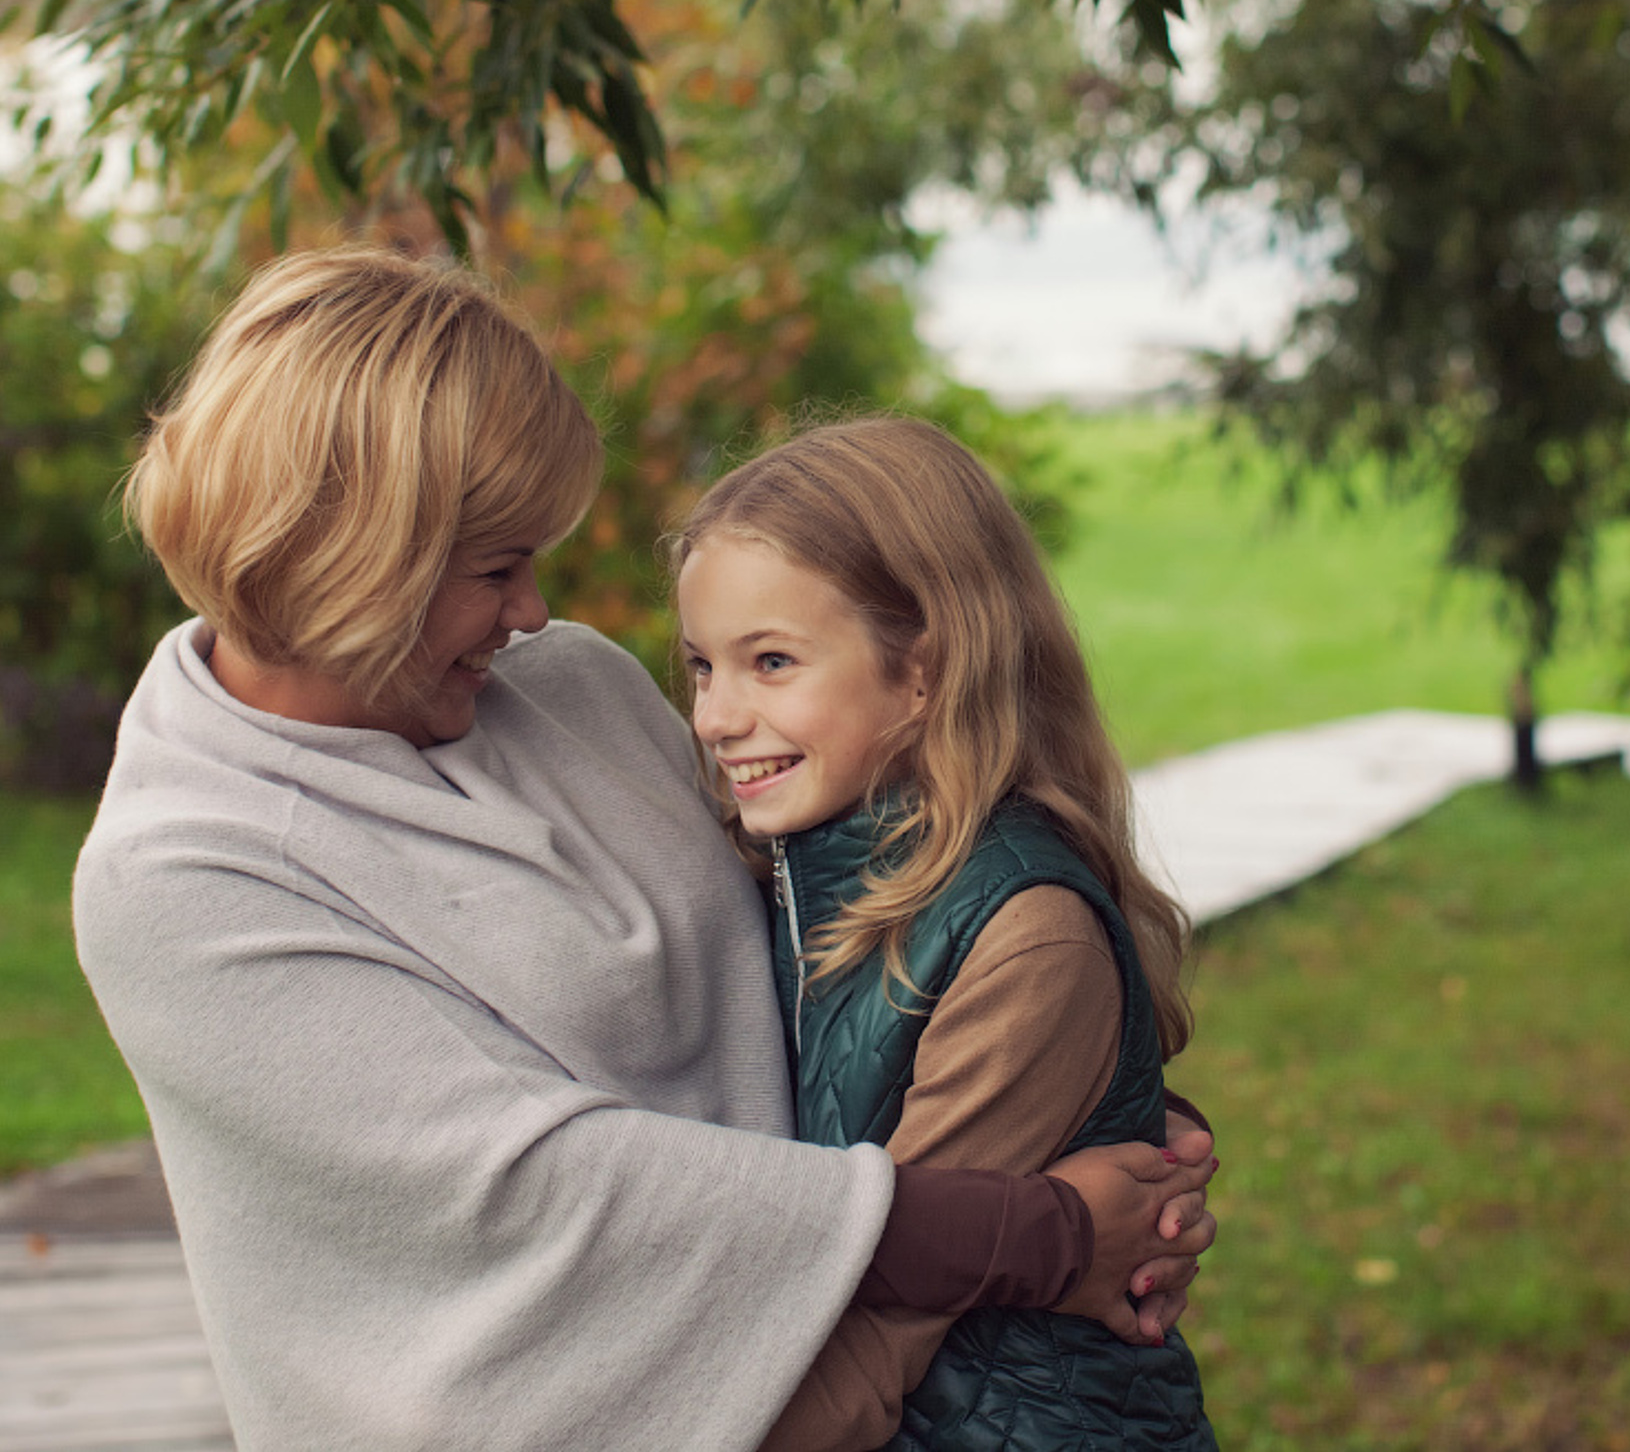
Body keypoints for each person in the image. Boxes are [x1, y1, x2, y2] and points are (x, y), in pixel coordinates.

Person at [71, 247, 1217, 1452]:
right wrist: (1041, 1236)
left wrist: (1087, 1086)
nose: (529, 612)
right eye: (496, 567)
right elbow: (555, 1191)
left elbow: (834, 955)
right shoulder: (183, 880)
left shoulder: (571, 689)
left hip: (869, 1384)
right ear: (363, 555)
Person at [673, 416, 1218, 1451]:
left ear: (924, 669)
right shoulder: (784, 868)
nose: (713, 716)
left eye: (772, 662)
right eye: (704, 667)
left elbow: (883, 1339)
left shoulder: (1024, 936)